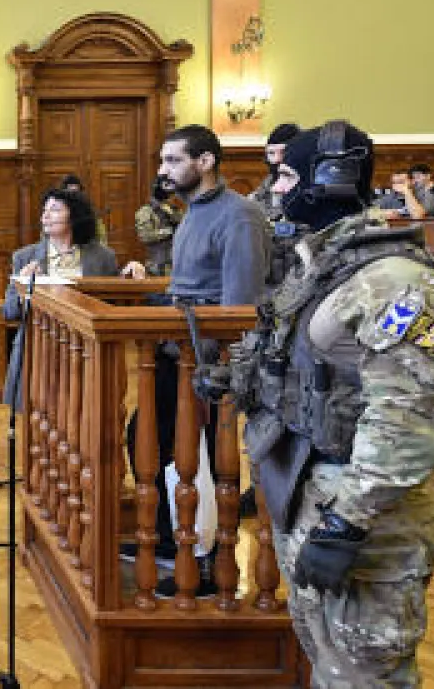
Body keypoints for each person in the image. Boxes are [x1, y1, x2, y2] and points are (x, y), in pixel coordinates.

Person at [229, 121, 434, 685]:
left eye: (287, 175)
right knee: (329, 662)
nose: (277, 189)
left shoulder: (394, 281)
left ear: (329, 180)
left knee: (367, 674)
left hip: (366, 520)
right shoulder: (322, 266)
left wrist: (347, 523)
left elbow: (409, 415)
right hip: (313, 496)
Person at [120, 124, 269, 597]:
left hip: (206, 364)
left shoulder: (238, 216)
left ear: (205, 162)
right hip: (174, 353)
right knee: (150, 441)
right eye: (162, 160)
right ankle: (169, 540)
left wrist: (217, 374)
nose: (162, 170)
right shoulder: (191, 213)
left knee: (204, 462)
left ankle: (209, 565)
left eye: (172, 160)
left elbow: (239, 307)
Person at [2, 188, 118, 405]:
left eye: (54, 210)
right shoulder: (24, 257)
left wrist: (130, 275)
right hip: (39, 351)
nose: (44, 216)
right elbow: (9, 312)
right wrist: (23, 289)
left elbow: (111, 307)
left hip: (87, 352)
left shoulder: (103, 257)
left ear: (74, 215)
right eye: (44, 210)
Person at [249, 122, 301, 219]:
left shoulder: (306, 182)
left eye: (284, 152)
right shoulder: (270, 179)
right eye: (271, 153)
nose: (277, 159)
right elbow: (251, 203)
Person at [134, 175, 183, 277]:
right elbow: (145, 236)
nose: (175, 197)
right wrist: (169, 231)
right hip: (157, 267)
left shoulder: (175, 210)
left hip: (178, 264)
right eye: (171, 195)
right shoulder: (146, 212)